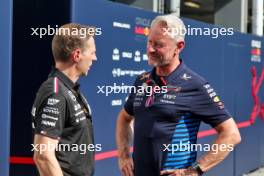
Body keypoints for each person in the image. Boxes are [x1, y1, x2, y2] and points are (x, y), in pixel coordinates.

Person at [116, 14, 241, 176]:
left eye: (159, 45)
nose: (150, 49)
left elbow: (231, 134)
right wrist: (123, 156)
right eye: (149, 42)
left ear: (179, 46)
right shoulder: (142, 80)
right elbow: (124, 118)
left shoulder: (195, 85)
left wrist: (194, 170)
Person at [31, 23, 97, 176]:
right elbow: (43, 156)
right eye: (92, 52)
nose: (95, 58)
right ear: (77, 55)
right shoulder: (55, 92)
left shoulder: (68, 89)